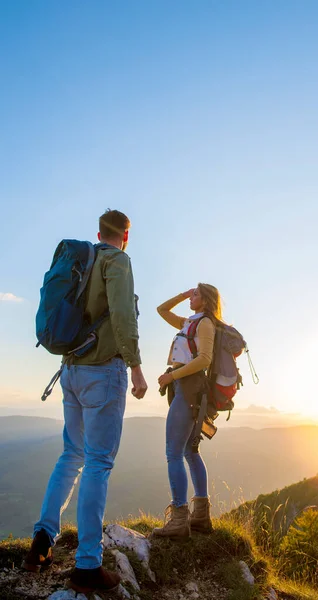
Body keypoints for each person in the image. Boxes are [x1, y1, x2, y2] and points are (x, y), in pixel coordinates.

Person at [23, 209, 147, 594]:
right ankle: (88, 565)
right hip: (102, 373)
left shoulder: (84, 261)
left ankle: (41, 542)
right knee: (97, 462)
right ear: (126, 236)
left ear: (98, 233)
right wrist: (137, 367)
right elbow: (124, 317)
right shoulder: (118, 261)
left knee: (71, 455)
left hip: (72, 371)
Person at [152, 284, 221, 539]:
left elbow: (205, 359)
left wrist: (172, 377)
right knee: (190, 452)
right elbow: (161, 310)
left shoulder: (204, 323)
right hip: (188, 388)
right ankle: (201, 517)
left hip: (189, 388)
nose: (191, 297)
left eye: (195, 294)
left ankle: (179, 520)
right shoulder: (188, 322)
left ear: (205, 301)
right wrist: (182, 295)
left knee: (174, 453)